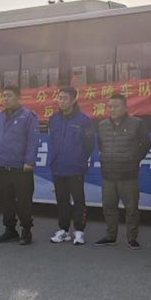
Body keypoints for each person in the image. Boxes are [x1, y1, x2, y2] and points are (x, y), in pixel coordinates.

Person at [94, 94, 151, 250]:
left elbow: (146, 144)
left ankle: (132, 238)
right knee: (109, 207)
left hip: (128, 175)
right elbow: (101, 145)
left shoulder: (137, 123)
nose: (112, 109)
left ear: (125, 108)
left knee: (131, 208)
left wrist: (134, 159)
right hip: (108, 174)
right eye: (110, 106)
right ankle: (110, 236)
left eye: (116, 106)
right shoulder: (102, 125)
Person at [0, 85, 40, 245]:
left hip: (21, 167)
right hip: (1, 165)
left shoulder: (28, 116)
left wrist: (29, 161)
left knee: (24, 200)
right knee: (5, 200)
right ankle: (10, 230)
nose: (5, 99)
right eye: (3, 96)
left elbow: (33, 141)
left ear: (18, 97)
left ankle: (26, 230)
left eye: (9, 95)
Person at [47, 86, 95, 245]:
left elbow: (89, 145)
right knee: (62, 200)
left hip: (75, 168)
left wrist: (79, 158)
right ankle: (64, 230)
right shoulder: (53, 119)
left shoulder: (83, 120)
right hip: (58, 168)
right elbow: (52, 142)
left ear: (74, 100)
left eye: (65, 98)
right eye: (59, 98)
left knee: (78, 201)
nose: (61, 101)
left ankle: (79, 231)